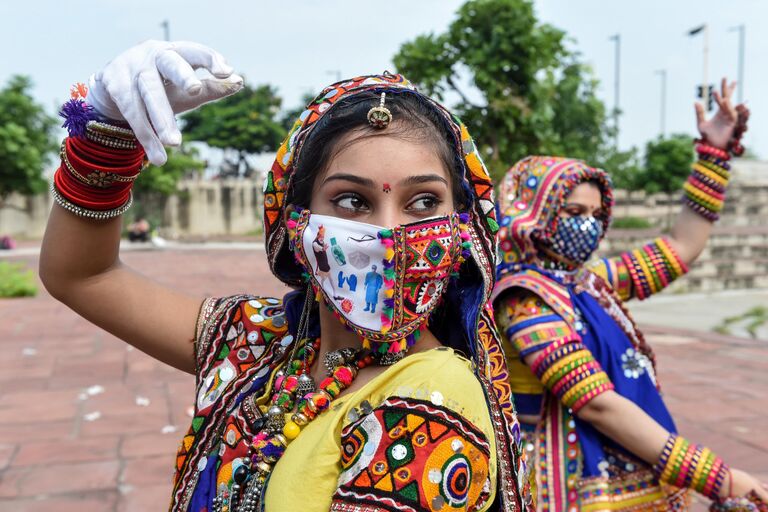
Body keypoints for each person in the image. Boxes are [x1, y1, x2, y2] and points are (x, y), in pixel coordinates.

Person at [40, 41, 528, 511]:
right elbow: (83, 276)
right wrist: (107, 137)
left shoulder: (434, 397)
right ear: (296, 223)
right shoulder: (264, 344)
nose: (388, 233)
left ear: (462, 226)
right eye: (352, 201)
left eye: (422, 202)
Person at [492, 79, 767, 511]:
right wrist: (719, 477)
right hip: (570, 487)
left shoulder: (588, 280)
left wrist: (712, 155)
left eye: (596, 215)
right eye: (573, 213)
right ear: (535, 213)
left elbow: (681, 247)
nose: (587, 225)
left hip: (632, 465)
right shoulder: (523, 299)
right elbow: (597, 405)